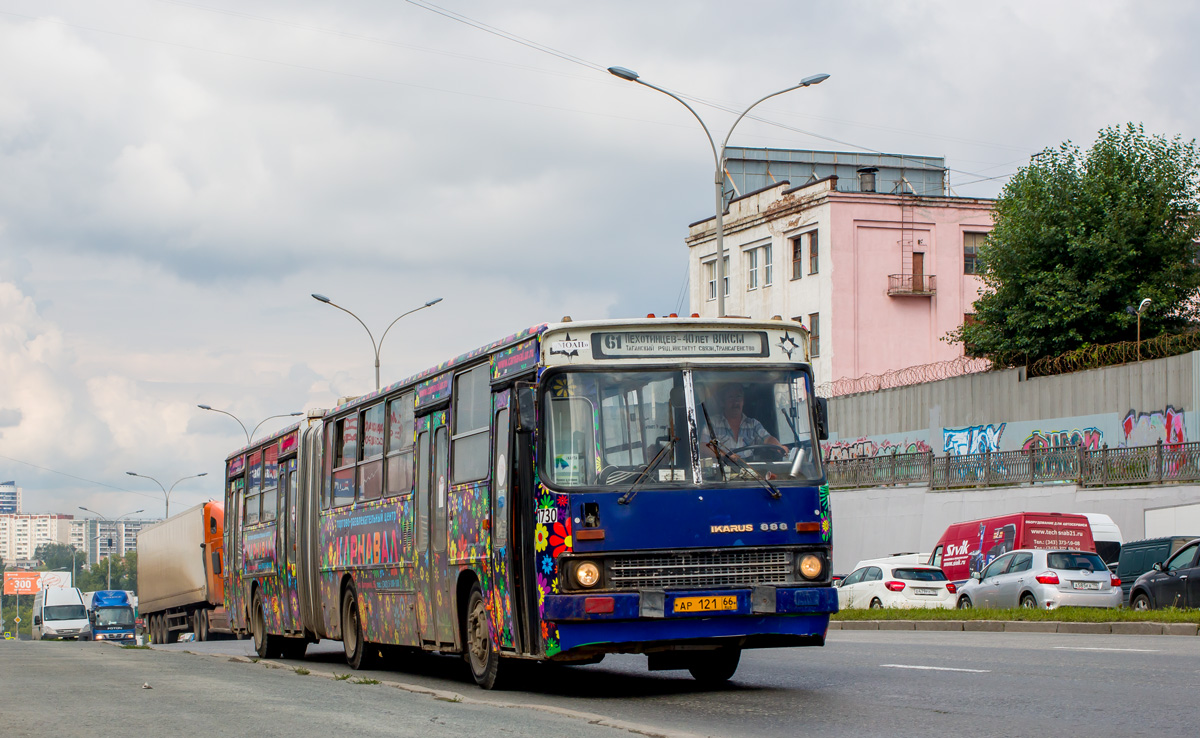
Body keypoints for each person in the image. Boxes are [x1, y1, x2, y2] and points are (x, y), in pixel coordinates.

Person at [702, 384, 784, 453]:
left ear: (743, 401)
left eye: (738, 397)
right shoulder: (713, 423)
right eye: (731, 398)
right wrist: (724, 456)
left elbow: (768, 439)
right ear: (722, 403)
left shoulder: (753, 424)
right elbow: (703, 446)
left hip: (750, 471)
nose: (736, 402)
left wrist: (779, 447)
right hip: (722, 470)